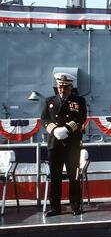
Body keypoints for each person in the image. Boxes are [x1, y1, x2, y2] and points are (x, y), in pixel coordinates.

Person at [41, 73, 87, 216]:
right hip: (55, 144)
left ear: (71, 86)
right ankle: (55, 207)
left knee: (74, 176)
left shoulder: (79, 101)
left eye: (66, 87)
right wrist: (55, 130)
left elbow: (81, 118)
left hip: (72, 144)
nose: (62, 89)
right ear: (57, 86)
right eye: (60, 86)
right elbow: (44, 119)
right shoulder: (50, 101)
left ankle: (75, 206)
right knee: (55, 177)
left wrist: (66, 129)